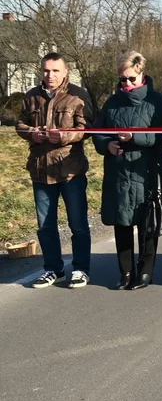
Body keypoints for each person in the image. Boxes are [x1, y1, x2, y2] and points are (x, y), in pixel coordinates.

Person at [92, 51, 162, 290]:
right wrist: (107, 144)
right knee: (121, 221)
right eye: (123, 80)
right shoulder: (112, 103)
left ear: (142, 74)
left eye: (131, 79)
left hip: (147, 169)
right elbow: (98, 131)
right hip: (118, 170)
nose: (127, 84)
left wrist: (135, 136)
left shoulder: (156, 101)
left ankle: (146, 272)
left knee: (147, 222)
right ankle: (125, 272)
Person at [18, 53, 94, 289]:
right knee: (46, 226)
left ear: (65, 72)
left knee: (78, 224)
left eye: (55, 71)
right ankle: (53, 269)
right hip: (40, 169)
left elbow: (88, 127)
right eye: (46, 70)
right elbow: (19, 124)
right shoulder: (31, 96)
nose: (50, 75)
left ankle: (81, 269)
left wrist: (65, 135)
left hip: (71, 170)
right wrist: (33, 133)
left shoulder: (77, 95)